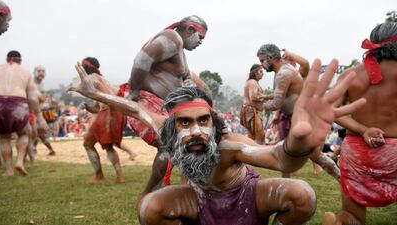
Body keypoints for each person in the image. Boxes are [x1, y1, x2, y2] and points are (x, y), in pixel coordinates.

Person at [69, 58, 366, 225]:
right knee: (150, 208)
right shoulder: (164, 129)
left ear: (213, 121)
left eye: (204, 121)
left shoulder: (227, 144)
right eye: (185, 122)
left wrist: (299, 142)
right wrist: (96, 94)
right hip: (198, 200)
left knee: (303, 195)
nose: (197, 130)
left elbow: (279, 158)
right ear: (172, 124)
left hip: (245, 198)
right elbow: (133, 108)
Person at [121, 15, 208, 189]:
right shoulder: (172, 38)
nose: (200, 42)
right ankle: (152, 192)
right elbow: (142, 59)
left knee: (182, 143)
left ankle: (184, 186)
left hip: (165, 104)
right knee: (172, 143)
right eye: (200, 37)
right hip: (148, 99)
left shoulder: (179, 48)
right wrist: (135, 92)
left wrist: (190, 88)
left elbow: (184, 77)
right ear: (190, 30)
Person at [323, 22, 397, 225]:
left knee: (352, 217)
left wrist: (363, 130)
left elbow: (330, 110)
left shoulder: (350, 74)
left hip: (357, 153)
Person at [257, 44, 341, 180]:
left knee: (314, 155)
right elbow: (282, 95)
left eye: (262, 61)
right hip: (290, 117)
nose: (261, 64)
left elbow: (276, 103)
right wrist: (266, 98)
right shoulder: (281, 71)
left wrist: (258, 105)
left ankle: (340, 177)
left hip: (298, 118)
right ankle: (285, 183)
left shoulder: (283, 73)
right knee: (285, 154)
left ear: (271, 58)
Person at [0, 50, 47, 176]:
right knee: (25, 133)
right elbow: (32, 98)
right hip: (18, 103)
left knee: (4, 137)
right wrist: (39, 117)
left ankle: (9, 170)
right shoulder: (26, 72)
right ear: (20, 60)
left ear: (7, 59)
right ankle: (19, 161)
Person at [79, 57, 127, 183]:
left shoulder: (92, 78)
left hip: (109, 112)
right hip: (114, 112)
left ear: (85, 67)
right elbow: (97, 108)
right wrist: (88, 107)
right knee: (108, 146)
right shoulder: (103, 79)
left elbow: (108, 98)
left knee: (88, 143)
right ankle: (119, 176)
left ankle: (99, 176)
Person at [240, 64, 273, 144]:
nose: (263, 73)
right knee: (260, 135)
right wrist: (268, 97)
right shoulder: (252, 82)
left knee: (254, 137)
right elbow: (253, 97)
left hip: (252, 111)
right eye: (261, 71)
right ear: (255, 72)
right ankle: (257, 154)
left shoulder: (254, 82)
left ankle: (251, 154)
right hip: (252, 111)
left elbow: (258, 97)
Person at [31, 65, 56, 156]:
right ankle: (33, 150)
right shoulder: (30, 83)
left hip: (37, 111)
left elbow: (40, 100)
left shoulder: (41, 84)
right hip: (28, 111)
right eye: (39, 71)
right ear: (34, 72)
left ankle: (35, 149)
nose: (41, 73)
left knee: (39, 132)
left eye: (43, 71)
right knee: (35, 133)